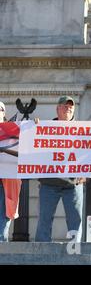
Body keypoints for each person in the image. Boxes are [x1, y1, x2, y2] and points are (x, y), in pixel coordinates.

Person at [35, 96, 91, 242]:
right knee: (44, 220)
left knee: (75, 221)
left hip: (73, 184)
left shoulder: (85, 130)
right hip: (49, 183)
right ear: (57, 109)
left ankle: (74, 251)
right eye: (65, 106)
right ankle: (42, 252)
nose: (68, 108)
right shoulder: (45, 127)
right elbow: (32, 143)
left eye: (71, 107)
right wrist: (33, 129)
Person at [0, 101, 21, 242]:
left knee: (2, 223)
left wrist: (36, 127)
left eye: (0, 109)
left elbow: (33, 142)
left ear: (3, 112)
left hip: (6, 182)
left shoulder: (14, 129)